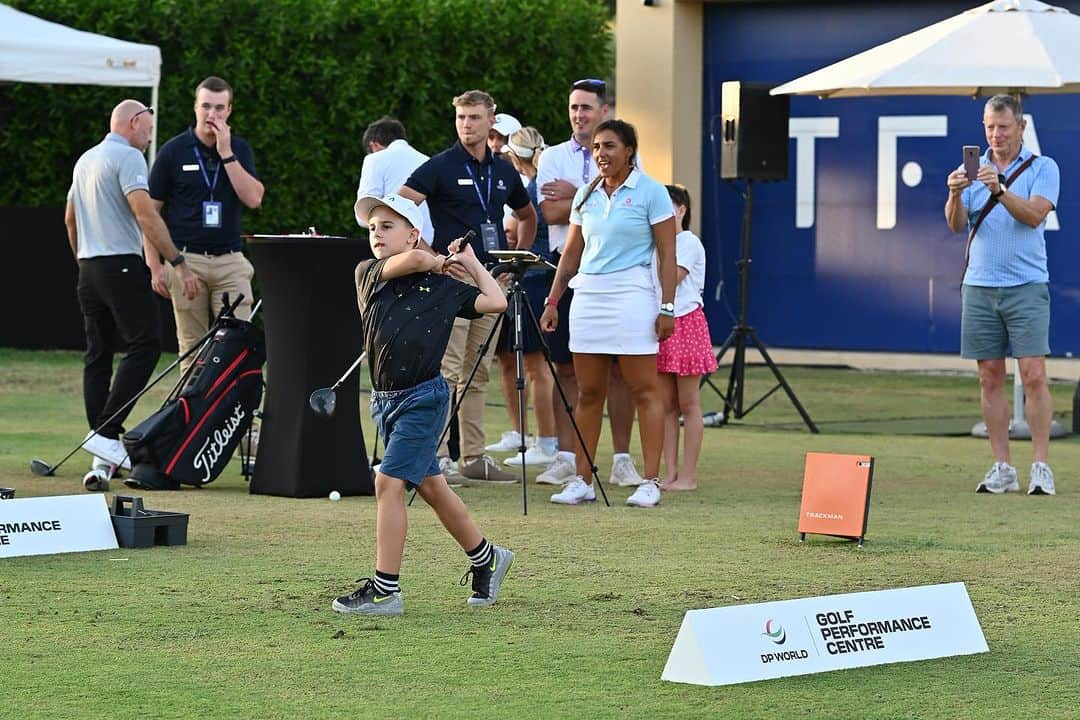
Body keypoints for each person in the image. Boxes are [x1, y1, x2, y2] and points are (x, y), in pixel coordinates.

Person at [333, 193, 513, 616]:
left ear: (414, 233)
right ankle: (488, 558)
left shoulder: (443, 286)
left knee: (387, 484)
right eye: (373, 227)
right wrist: (435, 260)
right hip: (385, 403)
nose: (376, 233)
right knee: (432, 487)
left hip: (424, 400)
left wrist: (469, 263)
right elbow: (412, 263)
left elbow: (495, 302)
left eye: (388, 226)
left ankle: (384, 591)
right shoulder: (369, 272)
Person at [399, 90, 537, 484]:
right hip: (451, 282)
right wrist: (430, 256)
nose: (467, 124)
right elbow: (400, 203)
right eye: (461, 117)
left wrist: (514, 260)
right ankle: (437, 459)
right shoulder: (440, 166)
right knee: (446, 372)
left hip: (491, 283)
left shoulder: (504, 171)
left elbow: (527, 216)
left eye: (475, 117)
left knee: (477, 375)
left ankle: (473, 458)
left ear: (491, 120)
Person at [541, 119, 676, 508]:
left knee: (643, 389)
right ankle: (582, 480)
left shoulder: (652, 192)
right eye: (597, 147)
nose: (602, 153)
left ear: (630, 151)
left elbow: (668, 254)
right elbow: (570, 255)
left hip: (634, 297)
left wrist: (667, 307)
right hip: (588, 300)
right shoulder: (585, 195)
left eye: (610, 146)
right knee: (589, 393)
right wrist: (552, 301)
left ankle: (650, 481)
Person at [65, 100, 198, 489]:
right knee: (146, 345)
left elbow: (70, 218)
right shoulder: (128, 158)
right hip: (120, 265)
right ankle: (106, 434)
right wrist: (177, 261)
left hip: (89, 267)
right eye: (148, 130)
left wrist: (82, 259)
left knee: (98, 353)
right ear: (134, 123)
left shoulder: (86, 159)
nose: (149, 139)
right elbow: (145, 214)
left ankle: (99, 454)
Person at [944, 94, 1059, 496]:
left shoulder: (1043, 168)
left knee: (1034, 375)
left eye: (1003, 127)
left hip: (1026, 285)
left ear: (1021, 127)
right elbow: (957, 226)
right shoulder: (971, 169)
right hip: (979, 286)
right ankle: (1002, 466)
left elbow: (1033, 216)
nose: (995, 135)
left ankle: (1041, 466)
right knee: (989, 376)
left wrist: (999, 190)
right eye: (989, 127)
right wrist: (955, 194)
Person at [535, 78, 645, 489]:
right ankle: (566, 457)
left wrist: (576, 197)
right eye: (573, 107)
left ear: (604, 111)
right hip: (562, 271)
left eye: (586, 107)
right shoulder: (553, 157)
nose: (578, 114)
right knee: (565, 369)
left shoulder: (630, 155)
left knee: (618, 372)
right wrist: (586, 195)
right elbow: (549, 212)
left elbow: (628, 210)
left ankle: (620, 459)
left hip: (615, 277)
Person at [148, 76, 264, 374]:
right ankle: (191, 418)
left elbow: (253, 198)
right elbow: (150, 213)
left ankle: (237, 415)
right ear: (195, 107)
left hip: (230, 260)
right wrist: (155, 265)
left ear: (229, 111)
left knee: (237, 341)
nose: (212, 114)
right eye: (206, 106)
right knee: (192, 347)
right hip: (187, 261)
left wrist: (226, 153)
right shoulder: (174, 151)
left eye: (219, 108)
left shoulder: (238, 148)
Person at [486, 127, 559, 468]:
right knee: (532, 365)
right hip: (537, 278)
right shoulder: (541, 183)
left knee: (535, 366)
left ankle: (546, 442)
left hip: (535, 279)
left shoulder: (534, 189)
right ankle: (538, 439)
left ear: (515, 157)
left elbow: (517, 232)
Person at [658, 185, 717, 491]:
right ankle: (669, 473)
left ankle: (689, 476)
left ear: (681, 210)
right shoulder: (656, 244)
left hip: (686, 324)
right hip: (660, 325)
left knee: (689, 403)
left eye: (666, 206)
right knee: (667, 405)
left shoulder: (689, 242)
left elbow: (673, 277)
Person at [355, 115, 434, 244]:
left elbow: (363, 216)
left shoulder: (374, 159)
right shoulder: (427, 160)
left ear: (373, 145)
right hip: (429, 248)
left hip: (395, 246)